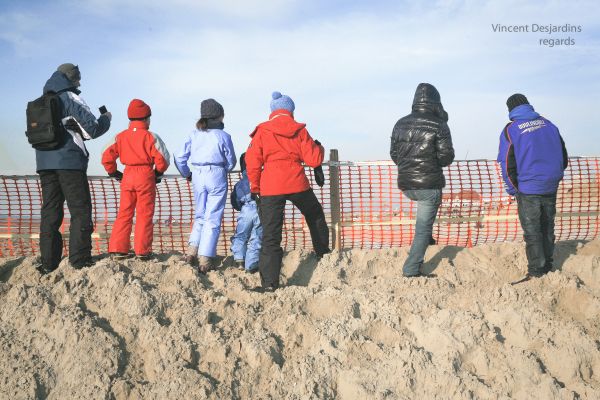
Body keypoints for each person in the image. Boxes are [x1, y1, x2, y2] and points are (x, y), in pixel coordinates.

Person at [245, 91, 330, 292]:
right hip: (296, 182)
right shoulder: (299, 130)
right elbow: (314, 160)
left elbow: (252, 162)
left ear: (272, 112)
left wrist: (255, 188)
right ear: (291, 111)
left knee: (271, 235)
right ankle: (322, 252)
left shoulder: (261, 131)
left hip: (271, 186)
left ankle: (269, 284)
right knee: (314, 214)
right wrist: (320, 147)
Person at [35, 63, 112, 274]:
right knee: (80, 211)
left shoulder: (41, 100)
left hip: (44, 163)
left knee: (50, 213)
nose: (80, 82)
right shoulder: (69, 97)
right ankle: (79, 260)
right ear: (72, 78)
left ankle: (48, 263)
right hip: (69, 163)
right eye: (79, 78)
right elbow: (93, 129)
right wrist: (106, 119)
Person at [498, 94, 568, 282]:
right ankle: (548, 265)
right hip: (550, 184)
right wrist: (554, 175)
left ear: (510, 109)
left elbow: (506, 162)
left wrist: (514, 189)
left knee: (532, 230)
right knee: (547, 226)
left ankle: (537, 272)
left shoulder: (511, 130)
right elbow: (563, 155)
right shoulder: (549, 124)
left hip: (528, 188)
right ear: (528, 105)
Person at [390, 83, 455, 278]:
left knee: (424, 225)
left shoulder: (400, 123)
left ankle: (429, 239)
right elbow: (446, 158)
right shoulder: (439, 125)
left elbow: (394, 155)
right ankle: (411, 269)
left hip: (406, 185)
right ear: (436, 102)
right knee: (422, 229)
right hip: (428, 185)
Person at [101, 99, 170, 260]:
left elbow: (106, 156)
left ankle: (118, 249)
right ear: (146, 118)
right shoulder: (151, 137)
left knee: (124, 213)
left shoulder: (120, 136)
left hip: (128, 176)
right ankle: (142, 251)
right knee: (144, 214)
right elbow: (163, 160)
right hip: (145, 176)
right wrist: (157, 174)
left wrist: (114, 173)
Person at [174, 99, 236, 273]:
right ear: (219, 116)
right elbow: (231, 161)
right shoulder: (224, 136)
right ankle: (205, 259)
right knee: (213, 217)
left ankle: (191, 253)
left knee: (200, 215)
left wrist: (188, 174)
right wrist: (222, 170)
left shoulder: (193, 134)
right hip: (216, 174)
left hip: (197, 175)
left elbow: (179, 158)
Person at [230, 153, 262, 273]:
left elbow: (235, 202)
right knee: (256, 237)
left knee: (241, 235)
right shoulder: (261, 178)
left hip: (246, 209)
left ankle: (239, 260)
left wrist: (241, 208)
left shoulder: (239, 184)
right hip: (260, 209)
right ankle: (252, 264)